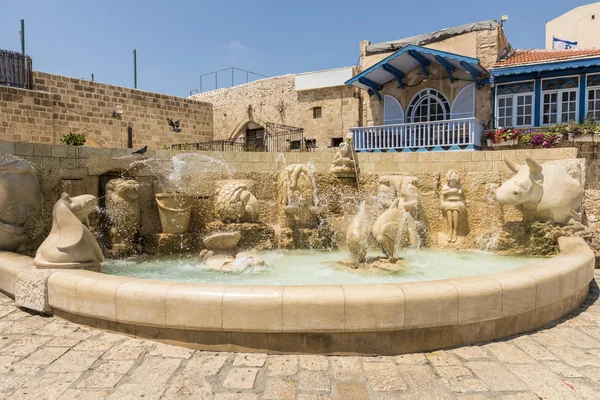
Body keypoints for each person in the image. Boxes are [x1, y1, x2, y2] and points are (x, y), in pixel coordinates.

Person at [441, 169, 466, 243]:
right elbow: (443, 193)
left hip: (457, 202)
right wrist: (452, 191)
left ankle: (455, 231)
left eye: (455, 176)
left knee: (455, 210)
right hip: (448, 202)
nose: (454, 178)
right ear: (448, 177)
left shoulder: (459, 186)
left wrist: (458, 190)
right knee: (448, 210)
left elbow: (461, 193)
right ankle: (450, 230)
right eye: (452, 176)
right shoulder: (445, 186)